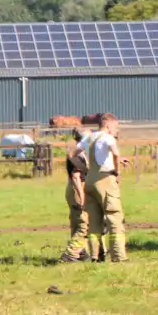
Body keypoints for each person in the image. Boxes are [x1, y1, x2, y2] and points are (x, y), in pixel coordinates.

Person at [78, 113, 130, 262]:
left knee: (94, 222)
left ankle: (95, 256)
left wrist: (84, 169)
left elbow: (73, 153)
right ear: (107, 125)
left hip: (90, 180)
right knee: (115, 218)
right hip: (106, 180)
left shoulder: (89, 138)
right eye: (115, 127)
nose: (116, 130)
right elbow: (114, 153)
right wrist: (117, 171)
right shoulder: (108, 138)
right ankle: (119, 256)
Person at [60, 128, 92, 263]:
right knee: (85, 224)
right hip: (78, 188)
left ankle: (81, 251)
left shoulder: (80, 154)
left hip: (72, 190)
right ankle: (71, 253)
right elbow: (76, 177)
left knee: (76, 221)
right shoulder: (78, 155)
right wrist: (82, 197)